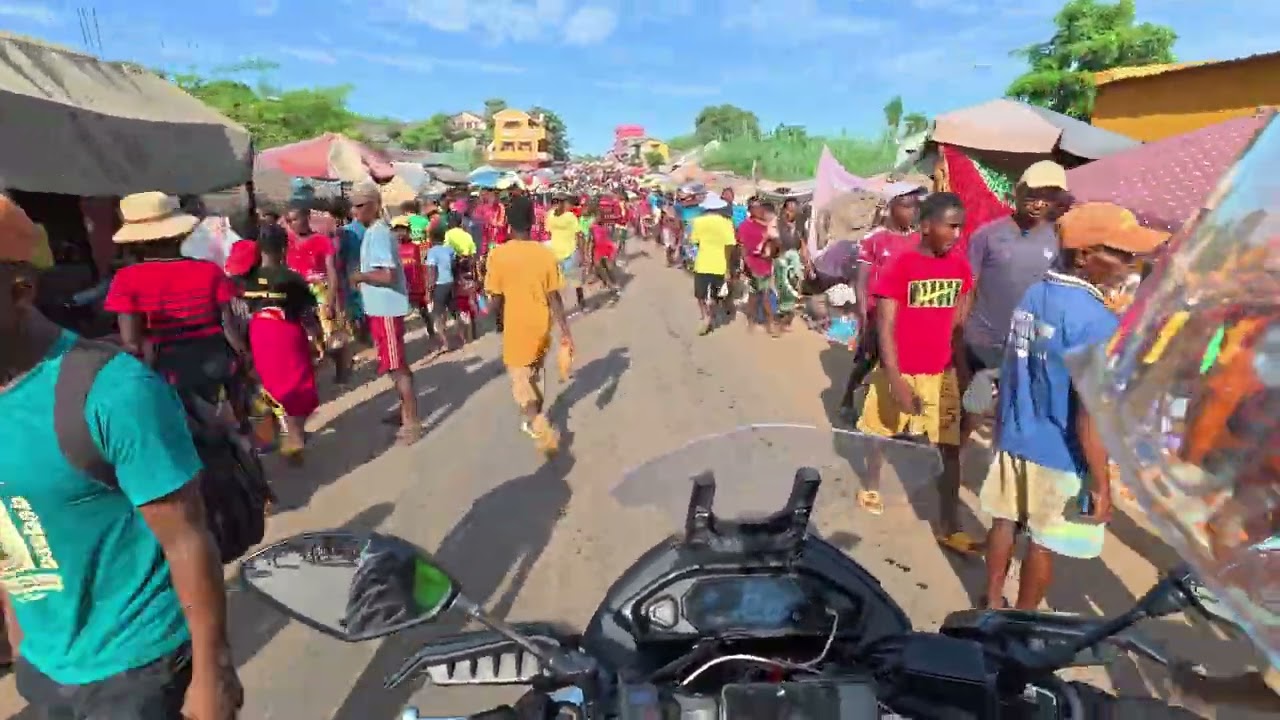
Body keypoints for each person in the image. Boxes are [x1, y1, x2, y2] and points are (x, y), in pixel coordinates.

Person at [0, 196, 242, 719]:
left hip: (138, 668)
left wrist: (212, 671)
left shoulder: (111, 391)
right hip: (45, 666)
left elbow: (187, 537)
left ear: (20, 291)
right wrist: (22, 642)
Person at [980, 203, 1166, 609]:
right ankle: (1022, 622)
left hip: (1014, 436)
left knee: (1004, 522)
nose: (1131, 265)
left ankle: (990, 602)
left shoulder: (1034, 293)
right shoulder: (1097, 322)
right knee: (1042, 543)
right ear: (1084, 256)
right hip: (1059, 454)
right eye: (1122, 255)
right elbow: (1089, 414)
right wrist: (1101, 483)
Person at [857, 192, 978, 556]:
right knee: (881, 434)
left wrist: (962, 372)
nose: (956, 234)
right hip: (900, 369)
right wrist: (895, 379)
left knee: (950, 448)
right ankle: (871, 483)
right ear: (926, 226)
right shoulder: (902, 266)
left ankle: (949, 525)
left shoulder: (960, 269)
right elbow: (885, 327)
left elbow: (958, 325)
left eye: (960, 227)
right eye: (950, 226)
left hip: (941, 373)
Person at [104, 192, 248, 407]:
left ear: (136, 242)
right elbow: (228, 325)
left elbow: (132, 342)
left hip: (167, 370)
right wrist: (244, 356)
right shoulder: (209, 271)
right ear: (179, 235)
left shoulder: (126, 279)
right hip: (217, 362)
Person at [961, 160, 1067, 407]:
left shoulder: (1059, 239)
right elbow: (967, 291)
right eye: (1032, 195)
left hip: (1029, 345)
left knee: (1017, 413)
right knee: (974, 411)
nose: (1038, 204)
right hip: (983, 343)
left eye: (1047, 198)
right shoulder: (987, 236)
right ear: (1017, 192)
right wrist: (957, 343)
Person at [484, 207, 574, 455]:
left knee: (520, 380)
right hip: (541, 325)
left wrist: (487, 314)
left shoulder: (498, 255)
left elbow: (496, 298)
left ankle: (539, 424)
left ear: (508, 224)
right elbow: (554, 296)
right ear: (532, 222)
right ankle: (536, 416)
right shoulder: (545, 254)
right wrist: (565, 330)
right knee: (534, 373)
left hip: (516, 325)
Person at [238, 224, 320, 463]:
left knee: (269, 385)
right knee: (298, 385)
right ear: (284, 247)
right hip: (287, 334)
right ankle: (295, 435)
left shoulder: (247, 279)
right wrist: (316, 337)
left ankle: (272, 436)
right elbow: (307, 314)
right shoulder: (292, 278)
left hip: (259, 334)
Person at [348, 183, 423, 443]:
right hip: (380, 310)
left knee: (396, 366)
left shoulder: (379, 233)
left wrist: (361, 276)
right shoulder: (373, 231)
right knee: (395, 363)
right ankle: (404, 411)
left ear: (374, 205)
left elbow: (387, 275)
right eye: (353, 206)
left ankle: (412, 421)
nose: (355, 211)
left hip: (387, 310)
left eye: (360, 205)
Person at [840, 189, 923, 422]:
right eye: (906, 206)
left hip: (906, 314)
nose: (912, 212)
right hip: (877, 314)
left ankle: (896, 415)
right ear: (892, 207)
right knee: (868, 359)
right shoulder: (875, 240)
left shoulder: (918, 240)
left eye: (914, 207)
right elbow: (861, 282)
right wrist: (863, 316)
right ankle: (847, 399)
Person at [284, 203, 349, 383]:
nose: (291, 224)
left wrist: (331, 301)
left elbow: (331, 272)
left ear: (307, 218)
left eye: (295, 219)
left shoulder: (322, 241)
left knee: (332, 336)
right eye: (288, 220)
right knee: (308, 338)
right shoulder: (287, 243)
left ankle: (342, 369)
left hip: (321, 292)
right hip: (298, 294)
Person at [689, 194, 737, 335]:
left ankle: (705, 316)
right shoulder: (727, 223)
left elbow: (695, 242)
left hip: (702, 263)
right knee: (716, 295)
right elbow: (729, 247)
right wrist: (728, 268)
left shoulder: (698, 221)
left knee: (700, 295)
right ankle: (710, 315)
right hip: (720, 264)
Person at [737, 199, 778, 336]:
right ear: (750, 210)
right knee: (755, 297)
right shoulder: (745, 226)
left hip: (766, 266)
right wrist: (746, 265)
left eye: (761, 207)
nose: (760, 210)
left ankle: (768, 322)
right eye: (756, 207)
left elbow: (776, 246)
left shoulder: (769, 225)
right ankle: (756, 322)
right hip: (752, 266)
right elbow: (742, 248)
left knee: (763, 296)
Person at [425, 225, 466, 350]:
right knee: (455, 311)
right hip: (450, 283)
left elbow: (432, 272)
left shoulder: (432, 252)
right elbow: (455, 266)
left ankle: (445, 342)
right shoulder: (449, 250)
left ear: (431, 238)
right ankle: (462, 337)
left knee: (438, 314)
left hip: (439, 285)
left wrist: (429, 290)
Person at [545, 194, 587, 312]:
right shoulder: (553, 215)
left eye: (558, 202)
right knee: (559, 284)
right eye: (554, 202)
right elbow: (549, 232)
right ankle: (562, 308)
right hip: (558, 253)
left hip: (566, 252)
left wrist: (582, 253)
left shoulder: (567, 216)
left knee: (574, 283)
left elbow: (579, 235)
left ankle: (580, 304)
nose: (555, 205)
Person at [392, 216, 431, 334]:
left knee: (423, 310)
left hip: (416, 284)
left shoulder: (416, 247)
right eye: (397, 230)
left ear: (408, 231)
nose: (400, 234)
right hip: (402, 285)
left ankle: (431, 330)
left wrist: (425, 285)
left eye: (402, 230)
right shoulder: (393, 249)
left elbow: (422, 265)